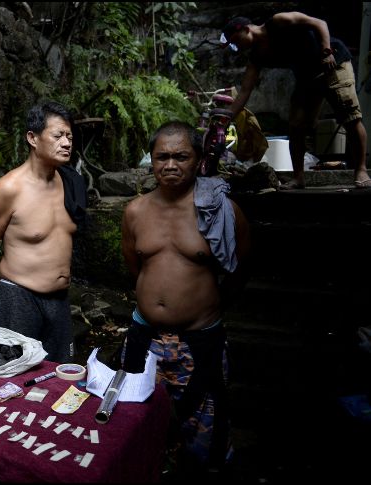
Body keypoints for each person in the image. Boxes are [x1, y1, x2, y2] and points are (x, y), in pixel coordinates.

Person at [119, 121, 251, 477]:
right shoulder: (135, 212)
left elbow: (239, 270)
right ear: (152, 160)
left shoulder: (222, 212)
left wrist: (203, 307)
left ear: (198, 160)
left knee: (206, 429)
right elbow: (136, 268)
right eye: (162, 156)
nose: (171, 165)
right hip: (145, 338)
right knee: (134, 421)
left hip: (200, 340)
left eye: (181, 156)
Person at [0, 101, 85, 364]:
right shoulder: (10, 189)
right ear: (32, 138)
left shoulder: (72, 182)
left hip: (59, 299)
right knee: (15, 375)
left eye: (69, 136)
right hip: (20, 297)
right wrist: (8, 293)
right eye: (58, 135)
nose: (67, 142)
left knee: (60, 373)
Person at [220, 12, 371, 190]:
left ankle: (361, 170)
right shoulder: (257, 56)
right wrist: (223, 120)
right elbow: (245, 91)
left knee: (350, 116)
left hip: (332, 62)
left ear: (246, 29)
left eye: (235, 41)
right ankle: (299, 178)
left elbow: (319, 21)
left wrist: (326, 49)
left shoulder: (278, 22)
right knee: (296, 125)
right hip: (307, 77)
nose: (236, 47)